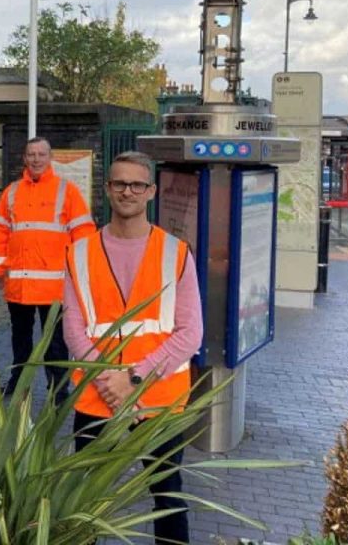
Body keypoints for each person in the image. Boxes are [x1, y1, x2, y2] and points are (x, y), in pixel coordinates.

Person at [63, 150, 203, 544]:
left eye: (137, 184)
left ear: (151, 192)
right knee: (85, 498)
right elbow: (74, 330)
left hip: (155, 398)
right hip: (97, 395)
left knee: (167, 495)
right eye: (120, 183)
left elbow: (190, 333)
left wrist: (133, 379)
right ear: (108, 189)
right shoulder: (79, 253)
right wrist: (111, 381)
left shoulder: (176, 253)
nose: (128, 191)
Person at [0, 136, 95, 401]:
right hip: (20, 285)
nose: (36, 159)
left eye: (41, 154)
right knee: (20, 339)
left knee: (56, 343)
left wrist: (78, 275)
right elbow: (0, 232)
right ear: (24, 158)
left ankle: (58, 390)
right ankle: (18, 382)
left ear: (50, 158)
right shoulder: (11, 192)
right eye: (31, 154)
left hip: (54, 285)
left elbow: (83, 234)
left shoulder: (66, 191)